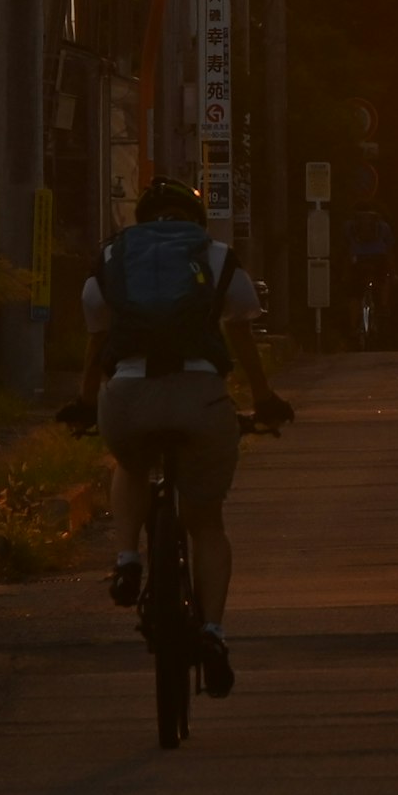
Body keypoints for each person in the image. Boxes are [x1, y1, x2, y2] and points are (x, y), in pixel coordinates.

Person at [68, 178, 293, 696]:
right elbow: (242, 335)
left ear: (142, 219)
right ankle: (212, 633)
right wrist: (264, 401)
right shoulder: (215, 257)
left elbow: (96, 339)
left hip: (127, 395)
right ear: (194, 220)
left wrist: (84, 404)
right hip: (200, 398)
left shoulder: (113, 257)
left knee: (131, 465)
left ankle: (127, 559)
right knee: (206, 522)